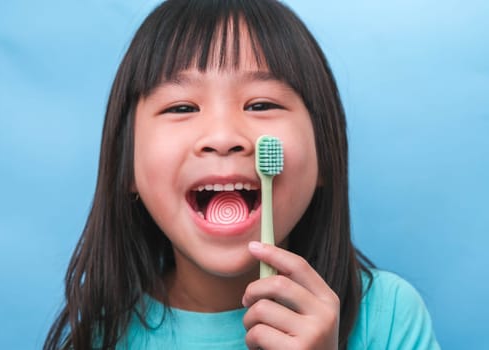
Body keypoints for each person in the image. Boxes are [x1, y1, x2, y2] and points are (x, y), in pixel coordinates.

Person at [44, 0, 440, 349]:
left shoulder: (387, 316)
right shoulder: (102, 338)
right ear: (126, 167)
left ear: (325, 158)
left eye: (262, 103)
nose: (222, 137)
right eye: (181, 107)